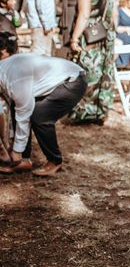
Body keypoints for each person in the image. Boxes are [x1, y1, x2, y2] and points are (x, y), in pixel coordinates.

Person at [0, 33, 87, 176]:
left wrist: (16, 150)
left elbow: (24, 113)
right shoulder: (4, 71)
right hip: (62, 77)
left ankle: (55, 161)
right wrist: (15, 144)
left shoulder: (12, 79)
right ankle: (23, 161)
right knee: (20, 111)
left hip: (73, 80)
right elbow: (14, 110)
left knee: (40, 117)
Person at [68, 0, 117, 125]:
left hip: (91, 36)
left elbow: (84, 15)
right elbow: (113, 15)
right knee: (104, 73)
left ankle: (84, 113)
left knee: (87, 73)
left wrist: (74, 38)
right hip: (107, 36)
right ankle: (100, 112)